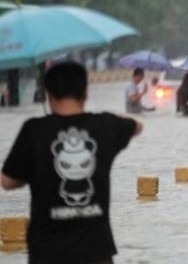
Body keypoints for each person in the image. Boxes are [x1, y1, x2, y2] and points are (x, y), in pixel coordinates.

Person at [1, 61, 143, 264]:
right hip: (96, 252)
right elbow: (137, 126)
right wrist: (115, 121)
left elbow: (7, 182)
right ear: (86, 92)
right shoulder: (105, 125)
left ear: (47, 93)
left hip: (46, 253)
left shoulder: (34, 130)